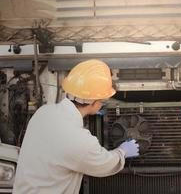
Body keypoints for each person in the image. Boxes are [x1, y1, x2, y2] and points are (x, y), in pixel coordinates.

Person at [13, 59, 139, 194]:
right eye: (103, 101)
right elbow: (104, 164)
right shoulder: (81, 141)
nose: (103, 104)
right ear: (94, 103)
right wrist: (122, 152)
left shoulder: (43, 112)